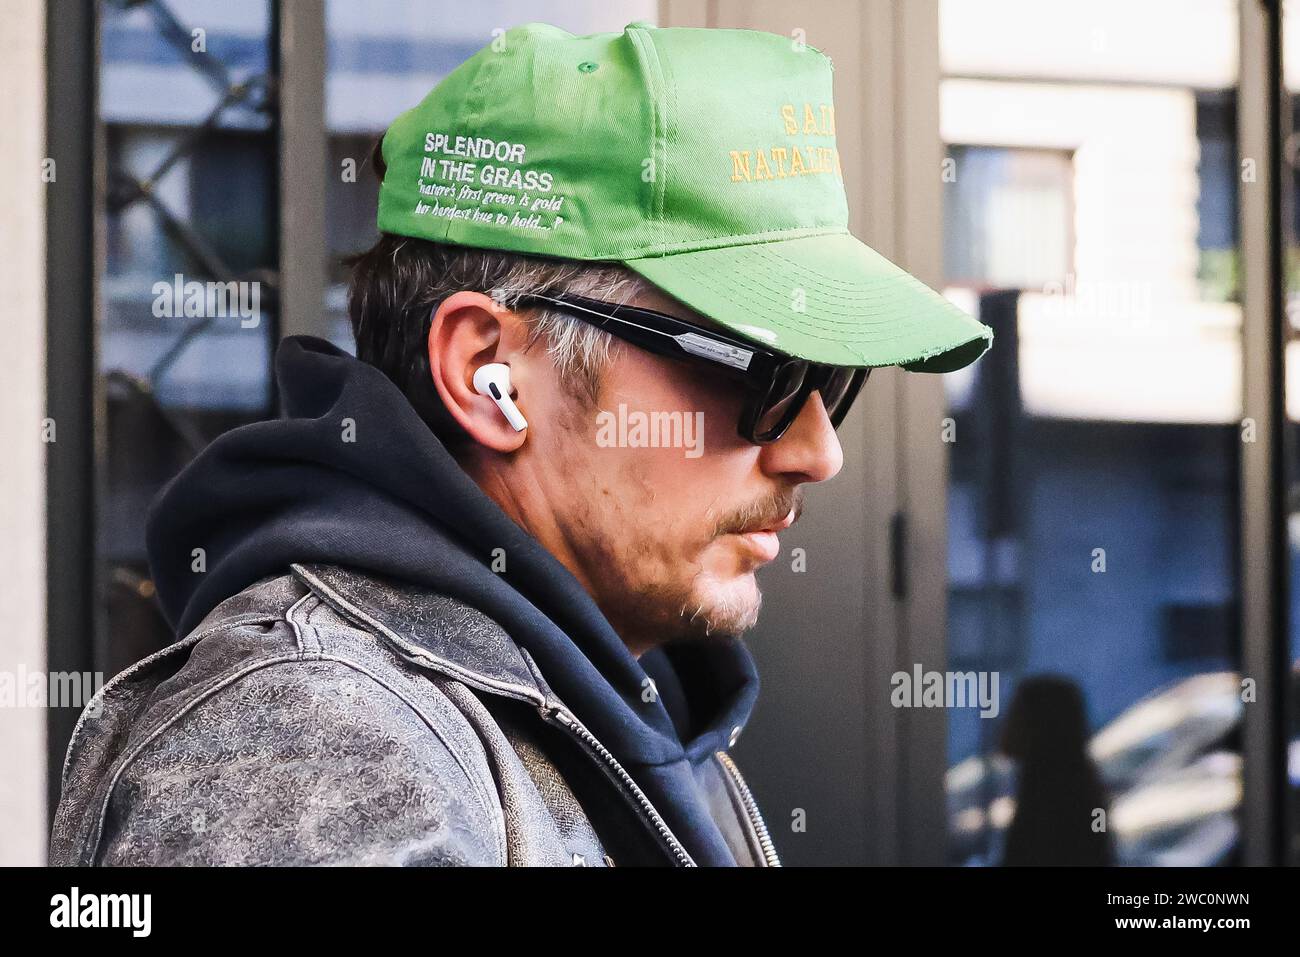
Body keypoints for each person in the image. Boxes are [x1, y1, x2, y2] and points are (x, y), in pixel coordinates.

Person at [50, 20, 991, 866]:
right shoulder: (311, 739)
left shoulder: (631, 703)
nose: (816, 450)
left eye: (829, 379)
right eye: (757, 370)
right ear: (489, 374)